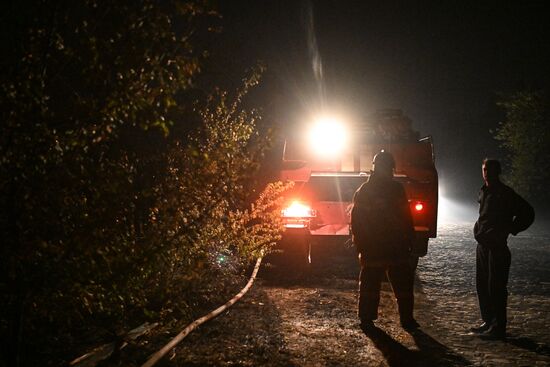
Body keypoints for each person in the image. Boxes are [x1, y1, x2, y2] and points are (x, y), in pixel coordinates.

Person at [351, 150, 418, 331]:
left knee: (372, 283)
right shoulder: (392, 189)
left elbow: (356, 221)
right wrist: (410, 242)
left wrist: (361, 245)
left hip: (381, 246)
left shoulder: (366, 190)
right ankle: (404, 319)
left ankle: (368, 318)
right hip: (391, 246)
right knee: (396, 284)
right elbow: (358, 221)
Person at [471, 158, 534, 339]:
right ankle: (488, 321)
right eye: (484, 169)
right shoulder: (484, 191)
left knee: (496, 287)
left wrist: (511, 229)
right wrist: (478, 228)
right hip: (482, 246)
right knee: (482, 285)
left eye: (490, 170)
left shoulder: (505, 193)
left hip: (497, 247)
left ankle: (498, 327)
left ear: (497, 172)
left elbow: (528, 212)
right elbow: (484, 215)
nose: (486, 173)